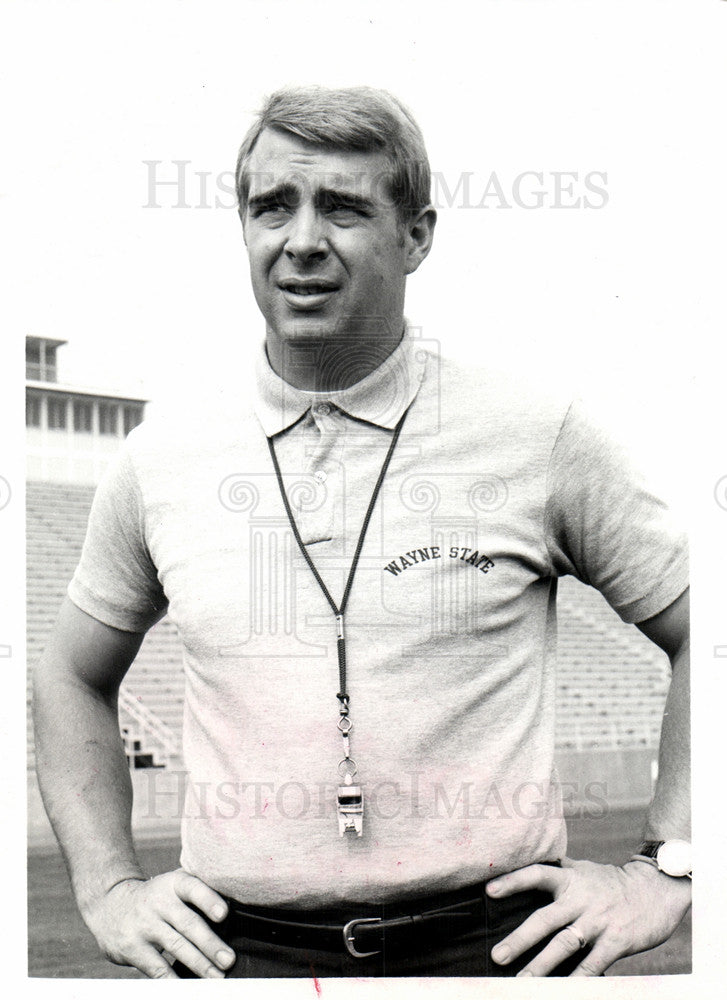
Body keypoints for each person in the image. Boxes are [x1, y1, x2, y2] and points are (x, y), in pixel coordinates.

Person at [32, 85, 691, 979]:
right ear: (244, 227)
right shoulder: (160, 458)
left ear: (416, 235)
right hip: (237, 958)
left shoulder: (536, 430)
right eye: (273, 206)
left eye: (343, 208)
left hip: (493, 953)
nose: (302, 240)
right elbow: (70, 672)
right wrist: (110, 889)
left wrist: (668, 865)